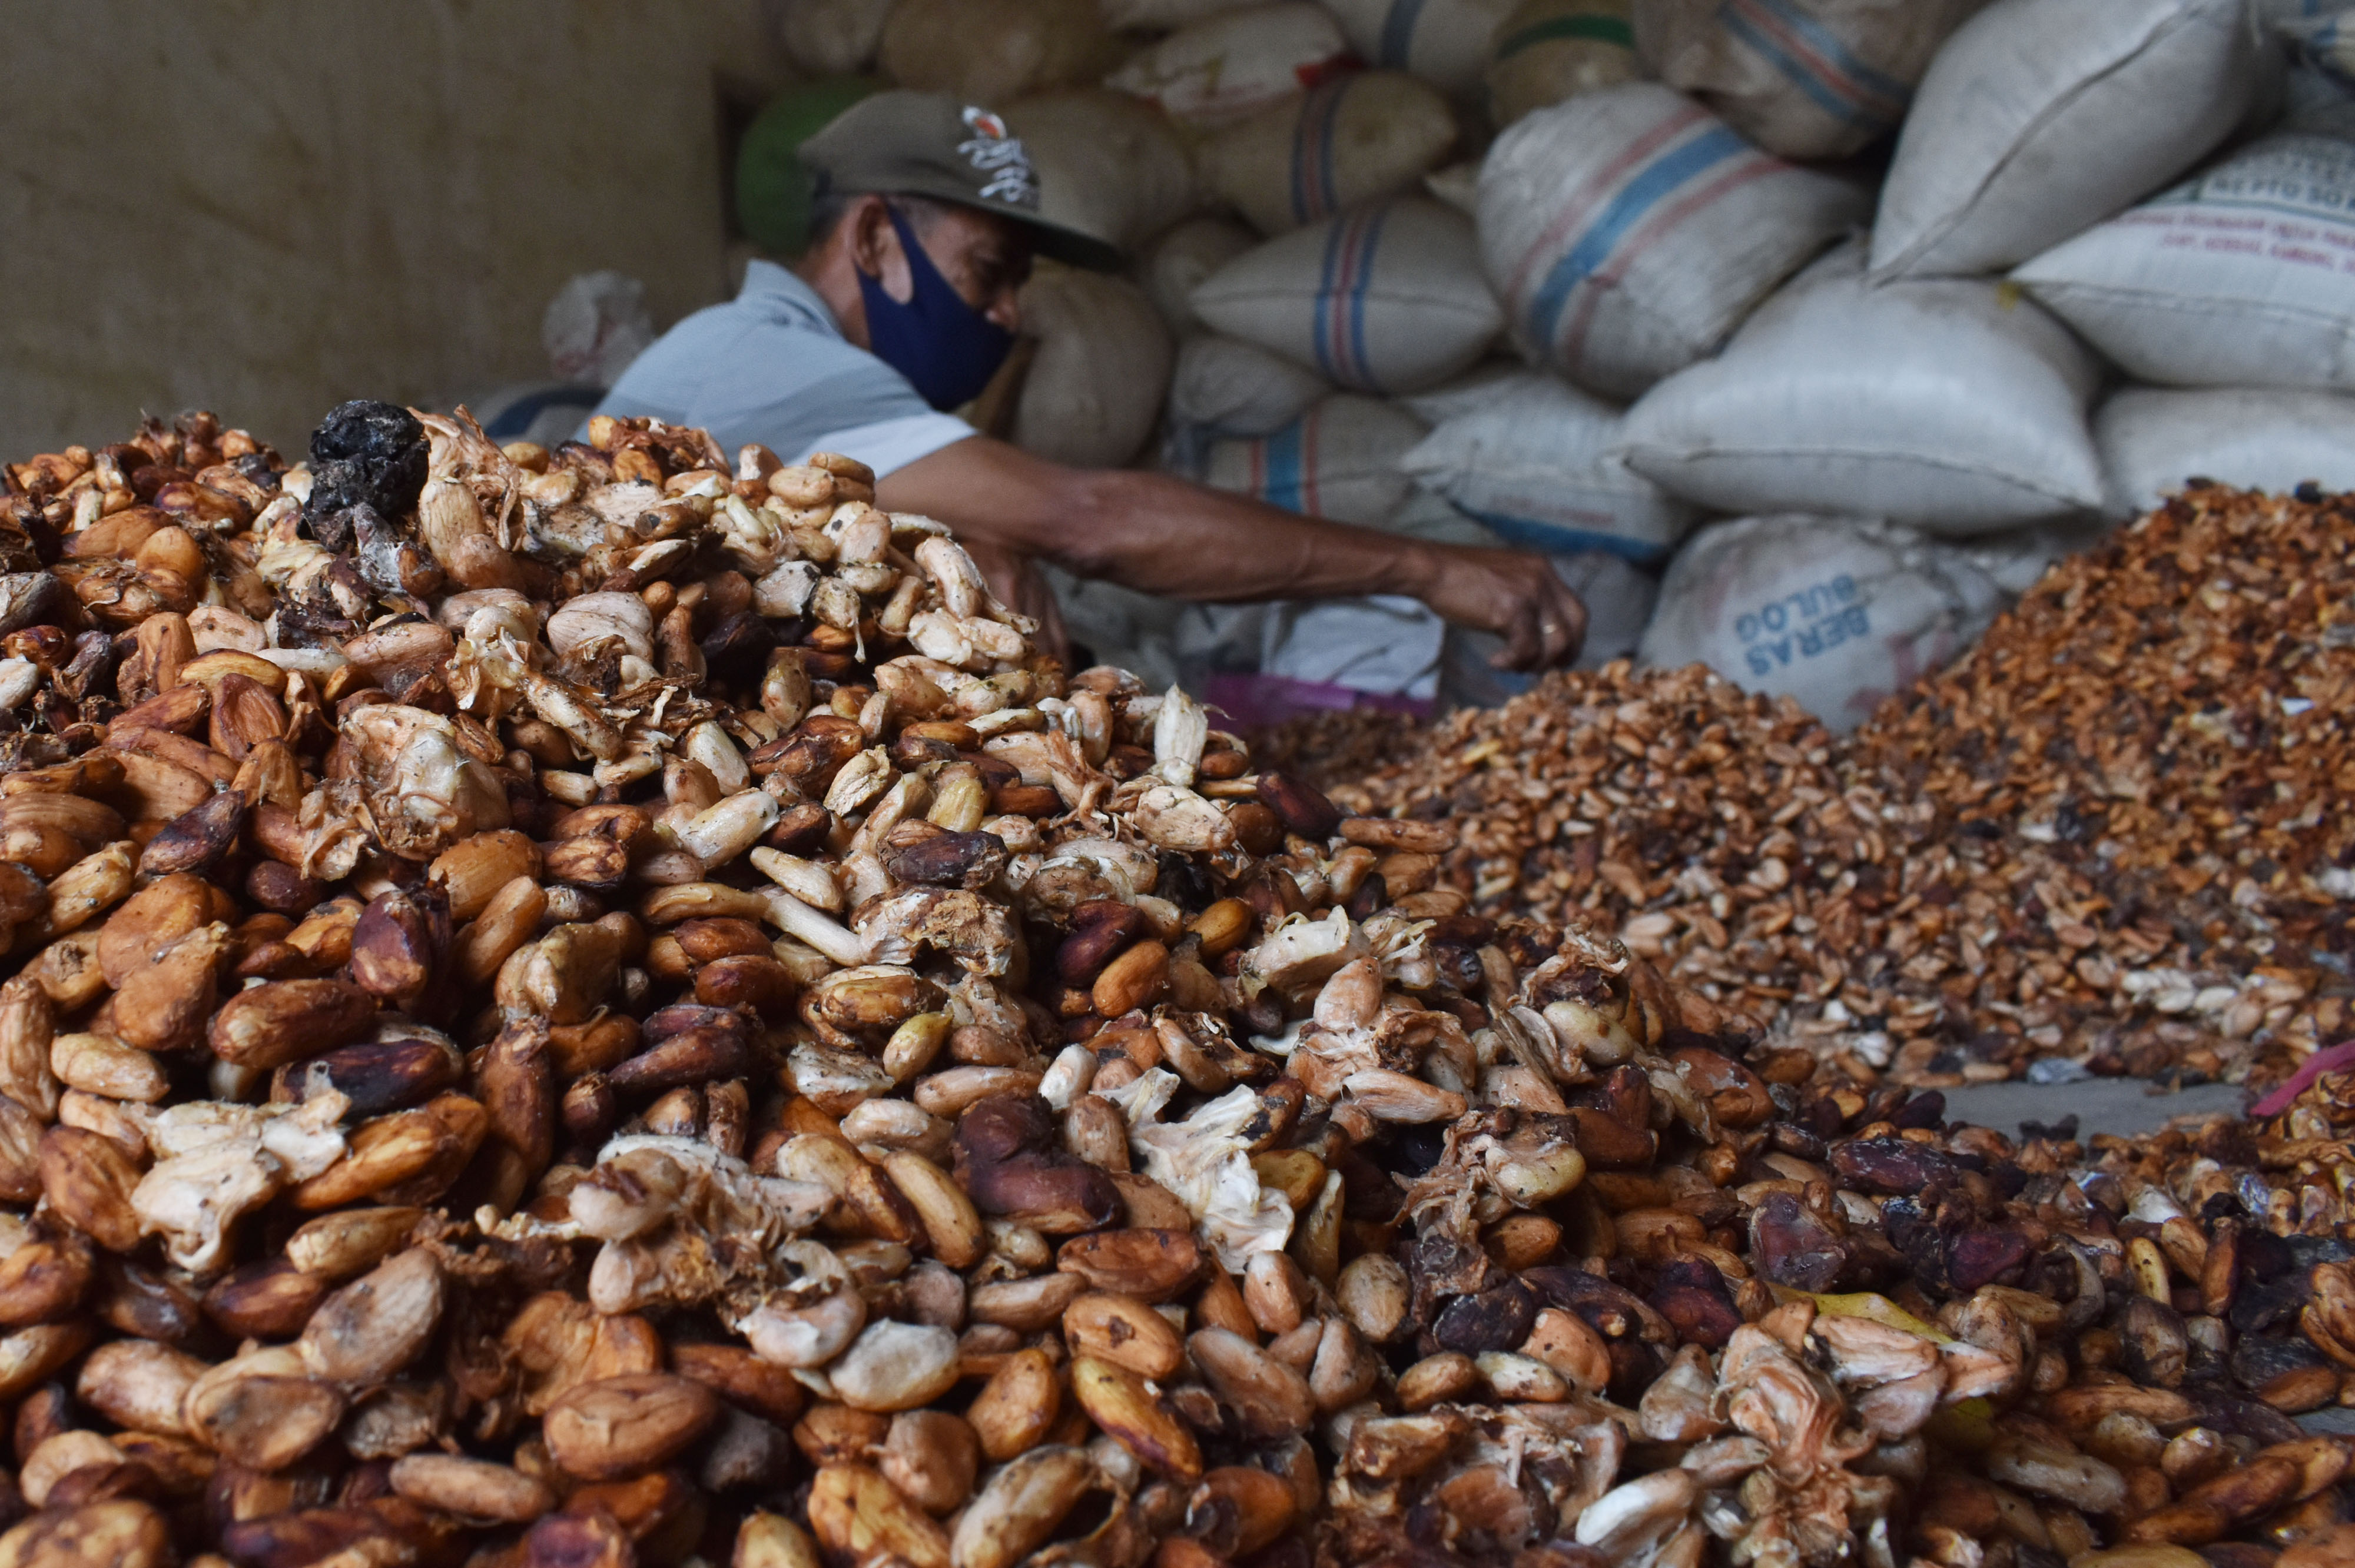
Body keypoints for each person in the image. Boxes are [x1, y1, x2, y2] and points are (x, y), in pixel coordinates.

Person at [592, 91, 1587, 672]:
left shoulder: (792, 364)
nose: (1011, 316)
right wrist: (1426, 568)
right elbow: (1090, 521)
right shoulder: (763, 357)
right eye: (989, 271)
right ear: (872, 240)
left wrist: (965, 532)